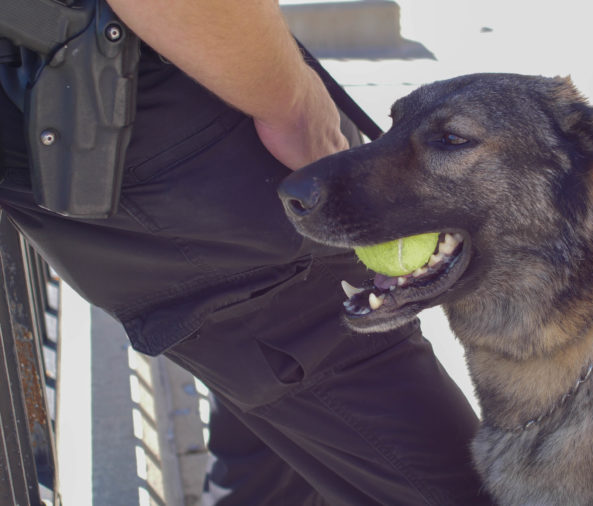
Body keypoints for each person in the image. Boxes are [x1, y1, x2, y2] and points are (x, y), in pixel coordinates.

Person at [0, 1, 490, 504]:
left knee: (283, 416)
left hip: (92, 115)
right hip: (141, 124)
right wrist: (296, 106)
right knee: (439, 469)